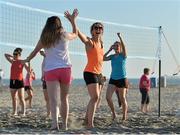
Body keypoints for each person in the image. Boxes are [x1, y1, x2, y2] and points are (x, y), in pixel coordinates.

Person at [23, 9, 78, 130]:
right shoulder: (64, 34)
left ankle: (55, 125)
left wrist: (26, 60)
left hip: (51, 70)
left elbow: (35, 52)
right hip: (65, 69)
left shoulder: (45, 37)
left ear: (47, 26)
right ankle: (64, 125)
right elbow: (76, 34)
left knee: (53, 100)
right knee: (64, 99)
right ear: (59, 24)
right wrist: (73, 21)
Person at [78, 22, 104, 128]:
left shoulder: (101, 43)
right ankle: (90, 124)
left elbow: (100, 59)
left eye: (100, 28)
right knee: (95, 97)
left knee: (97, 99)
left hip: (99, 73)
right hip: (90, 72)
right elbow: (80, 35)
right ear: (92, 31)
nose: (98, 29)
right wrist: (73, 21)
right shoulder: (90, 42)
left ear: (102, 31)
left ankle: (86, 120)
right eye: (96, 28)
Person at [103, 33, 128, 121]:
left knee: (122, 98)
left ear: (120, 47)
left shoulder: (123, 55)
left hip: (122, 79)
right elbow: (103, 58)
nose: (116, 47)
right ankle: (114, 113)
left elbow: (124, 46)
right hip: (113, 79)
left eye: (118, 46)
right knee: (107, 97)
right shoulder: (112, 56)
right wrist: (109, 49)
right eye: (115, 46)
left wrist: (120, 37)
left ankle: (124, 117)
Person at [4, 48, 28, 116]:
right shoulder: (12, 61)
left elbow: (28, 69)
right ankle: (15, 112)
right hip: (12, 81)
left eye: (16, 54)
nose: (14, 55)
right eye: (13, 54)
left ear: (19, 55)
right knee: (14, 98)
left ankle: (23, 112)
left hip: (20, 81)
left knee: (21, 98)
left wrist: (29, 69)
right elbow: (5, 55)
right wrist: (12, 56)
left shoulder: (22, 61)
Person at [39, 50, 50, 117]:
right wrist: (42, 75)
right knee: (46, 98)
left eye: (44, 51)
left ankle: (57, 113)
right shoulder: (44, 59)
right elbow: (43, 68)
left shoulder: (50, 57)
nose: (41, 52)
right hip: (45, 79)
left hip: (51, 79)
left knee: (54, 97)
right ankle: (48, 113)